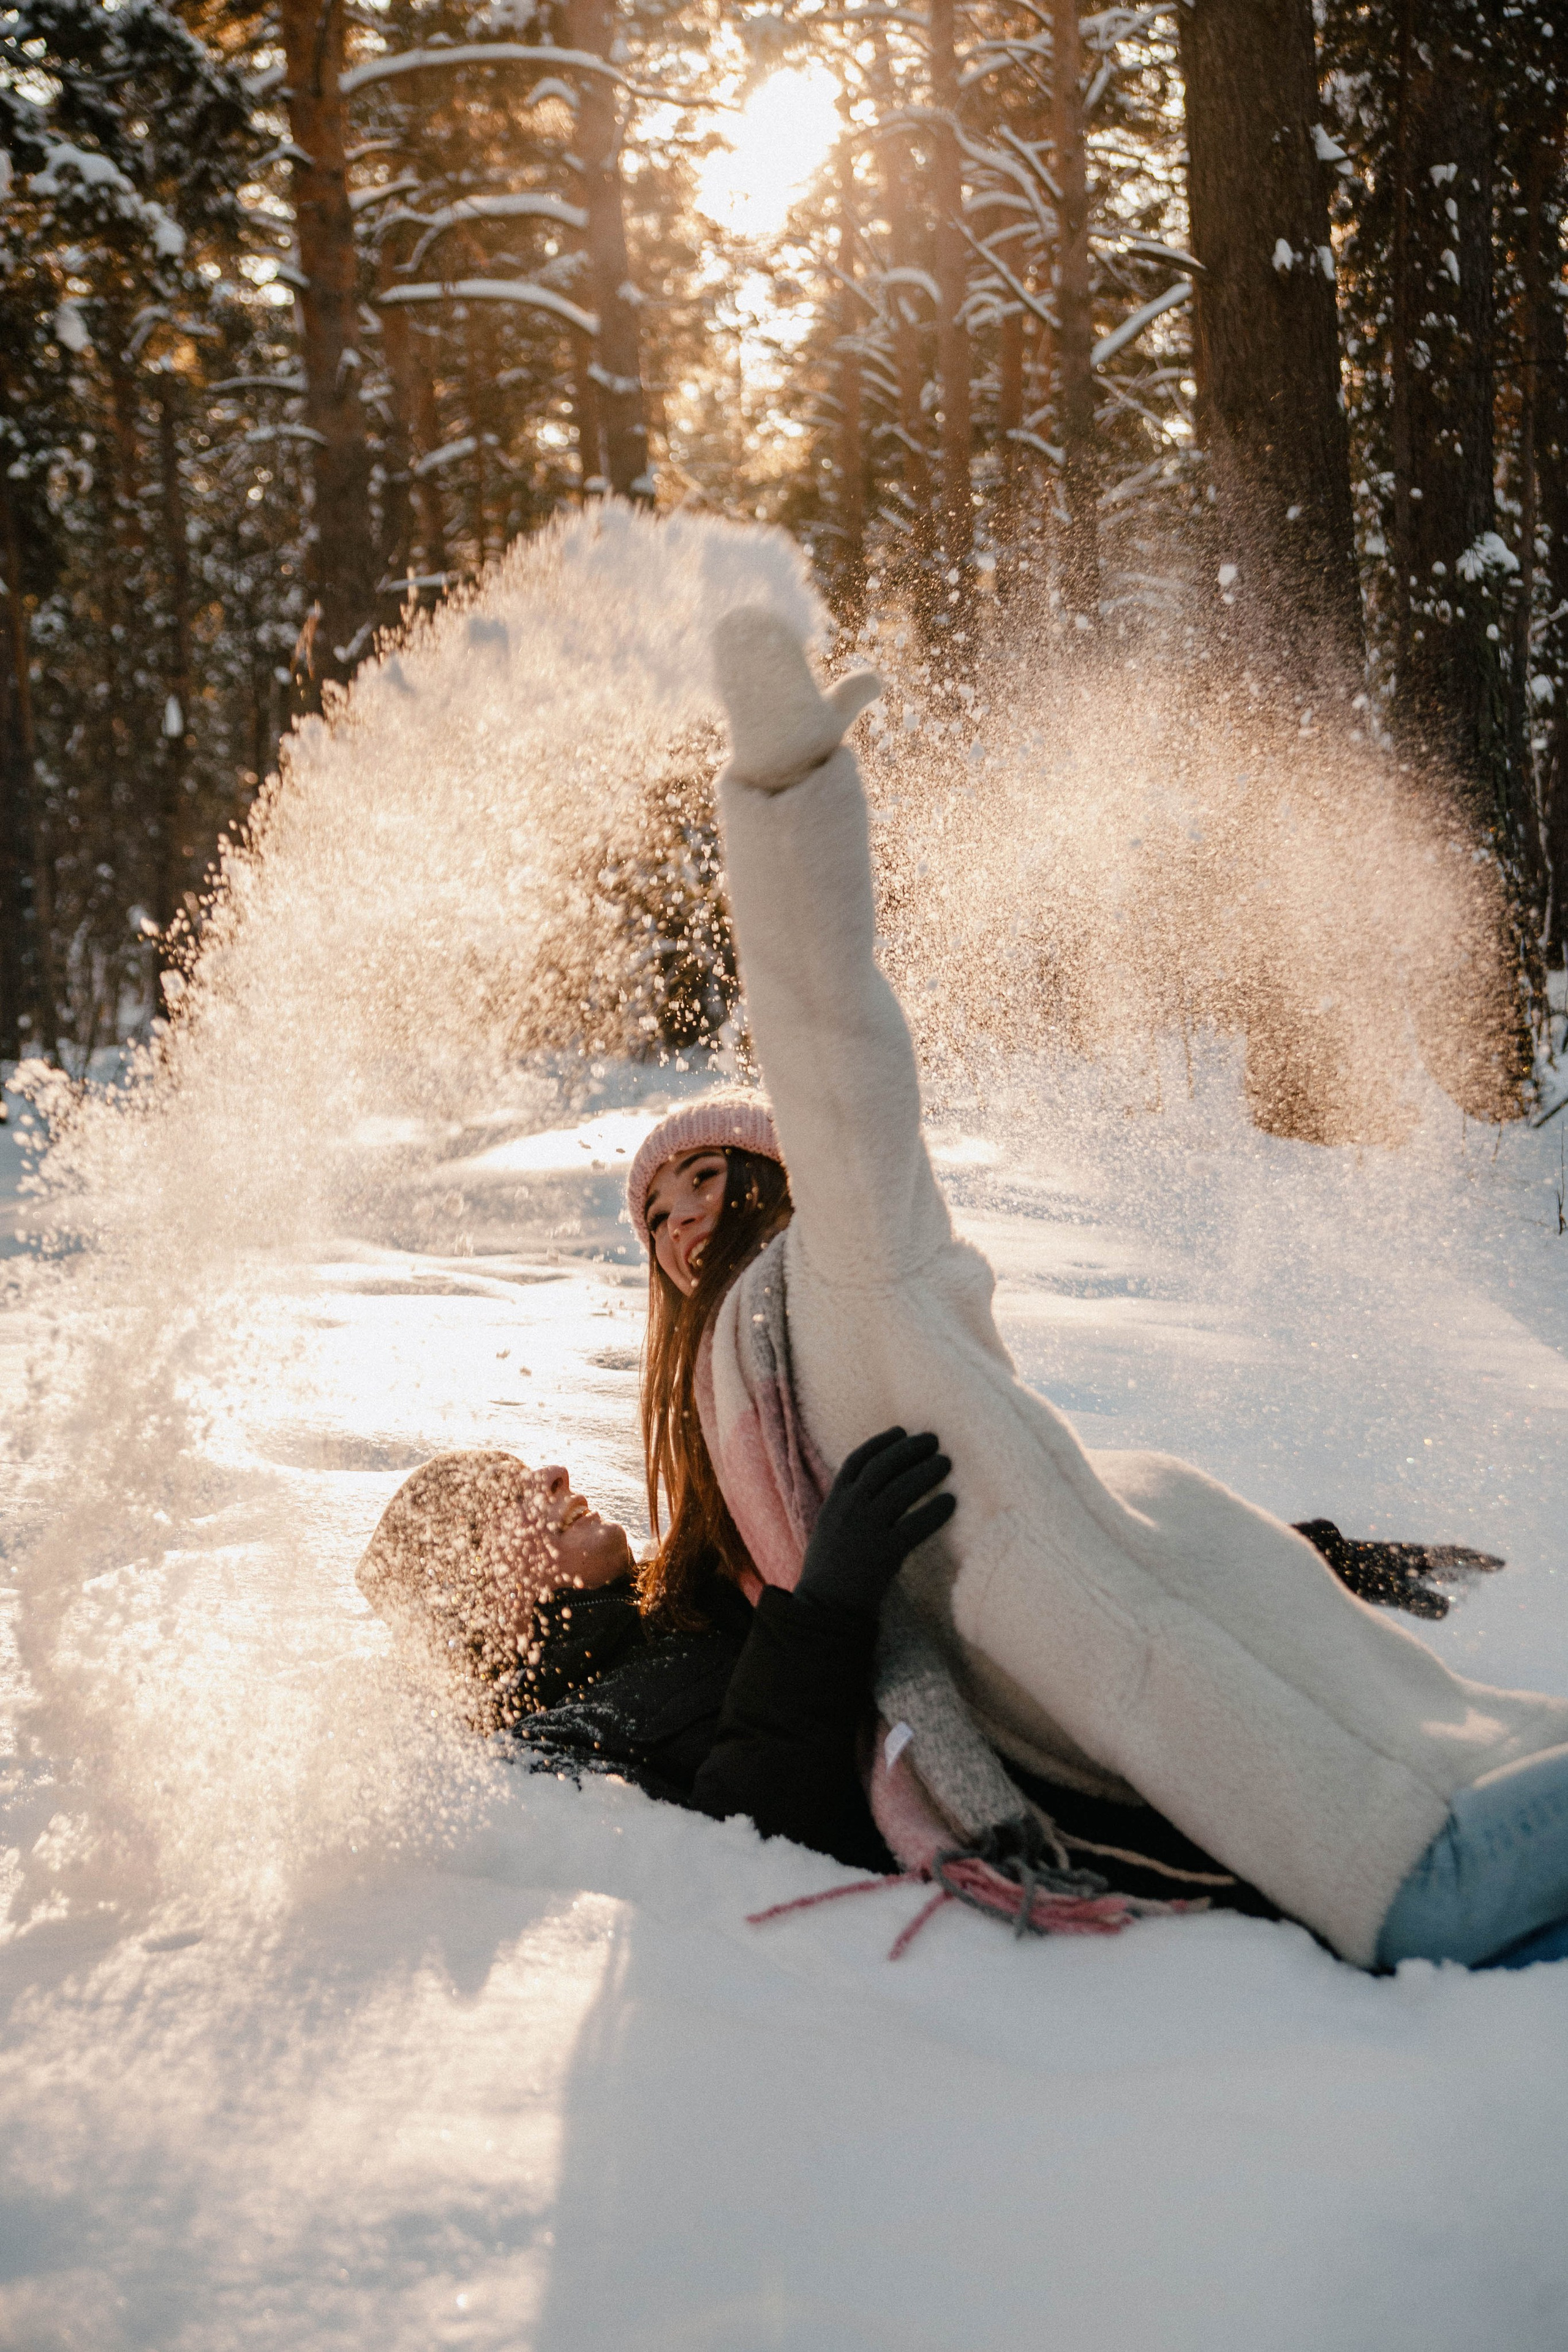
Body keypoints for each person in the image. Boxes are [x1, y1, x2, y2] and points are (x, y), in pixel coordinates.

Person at [617, 605, 1568, 1974]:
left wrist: (782, 797)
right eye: (651, 1213)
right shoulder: (768, 1481)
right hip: (1376, 1849)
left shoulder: (847, 1279)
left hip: (1417, 1830)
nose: (678, 1223)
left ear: (784, 1180)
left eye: (703, 1179)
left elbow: (830, 1034)